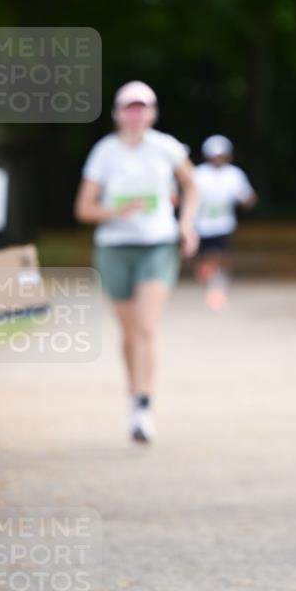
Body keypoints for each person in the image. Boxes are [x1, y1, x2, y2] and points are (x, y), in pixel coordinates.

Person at [75, 81, 198, 444]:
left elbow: (192, 186)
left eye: (142, 106)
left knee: (146, 327)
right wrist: (115, 211)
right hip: (115, 247)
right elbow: (84, 209)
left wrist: (187, 224)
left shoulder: (166, 148)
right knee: (129, 334)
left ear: (153, 112)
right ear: (117, 112)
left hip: (157, 245)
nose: (136, 113)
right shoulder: (104, 153)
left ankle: (145, 404)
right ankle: (133, 396)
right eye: (129, 107)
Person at [194, 135, 256, 310]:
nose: (218, 159)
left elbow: (248, 198)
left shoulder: (234, 175)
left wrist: (244, 198)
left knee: (223, 257)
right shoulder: (198, 174)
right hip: (202, 225)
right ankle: (211, 289)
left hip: (224, 224)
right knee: (206, 260)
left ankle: (219, 288)